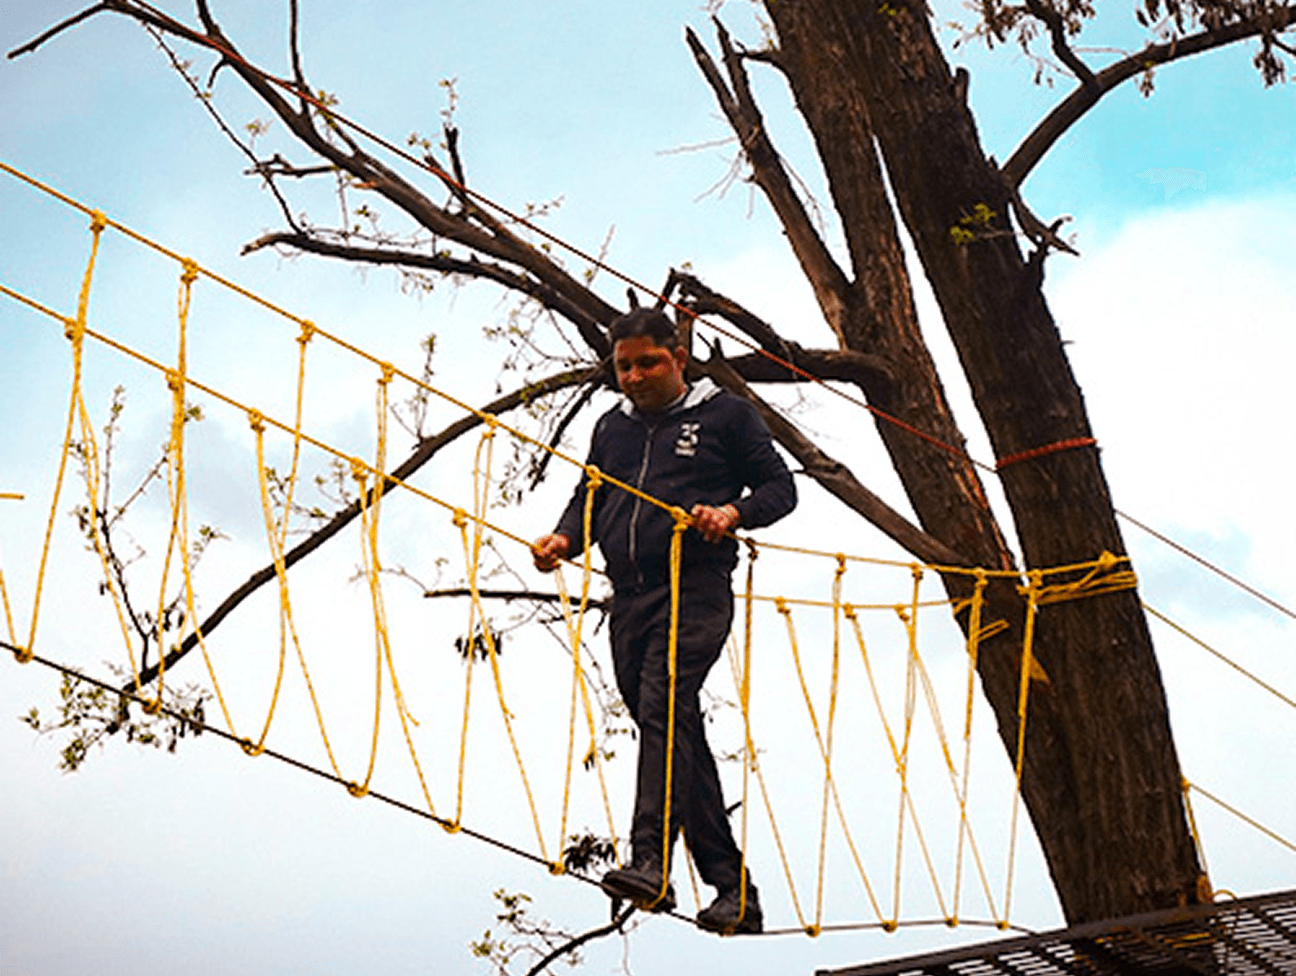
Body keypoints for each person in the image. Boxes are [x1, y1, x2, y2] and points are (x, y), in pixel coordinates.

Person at [532, 308, 797, 934]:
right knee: (671, 724)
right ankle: (734, 890)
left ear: (678, 357)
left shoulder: (726, 415)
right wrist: (564, 539)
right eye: (622, 366)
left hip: (695, 586)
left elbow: (780, 489)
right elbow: (589, 497)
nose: (633, 376)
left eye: (647, 362)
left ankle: (648, 858)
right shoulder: (611, 429)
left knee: (662, 703)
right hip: (630, 596)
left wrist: (733, 512)